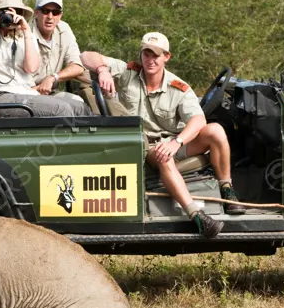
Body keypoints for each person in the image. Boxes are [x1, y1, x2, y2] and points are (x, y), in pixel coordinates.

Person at [81, 33, 245, 238]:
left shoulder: (178, 87)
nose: (150, 60)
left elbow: (198, 120)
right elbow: (85, 56)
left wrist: (177, 142)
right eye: (146, 54)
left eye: (156, 55)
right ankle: (196, 216)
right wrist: (102, 69)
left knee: (216, 131)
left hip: (173, 142)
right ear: (141, 55)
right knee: (164, 156)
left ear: (167, 57)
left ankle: (227, 189)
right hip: (142, 147)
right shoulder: (128, 72)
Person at [0, 0, 91, 118]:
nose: (8, 16)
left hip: (24, 93)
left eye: (14, 11)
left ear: (20, 13)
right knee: (62, 109)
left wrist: (26, 31)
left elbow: (31, 68)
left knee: (81, 108)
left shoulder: (25, 34)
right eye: (4, 11)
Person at [30, 0, 89, 113]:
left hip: (51, 92)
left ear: (60, 15)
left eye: (55, 12)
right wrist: (36, 89)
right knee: (60, 108)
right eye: (45, 11)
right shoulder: (25, 31)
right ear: (36, 12)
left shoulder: (64, 28)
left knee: (78, 103)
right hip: (26, 93)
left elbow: (78, 66)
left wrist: (53, 78)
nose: (50, 17)